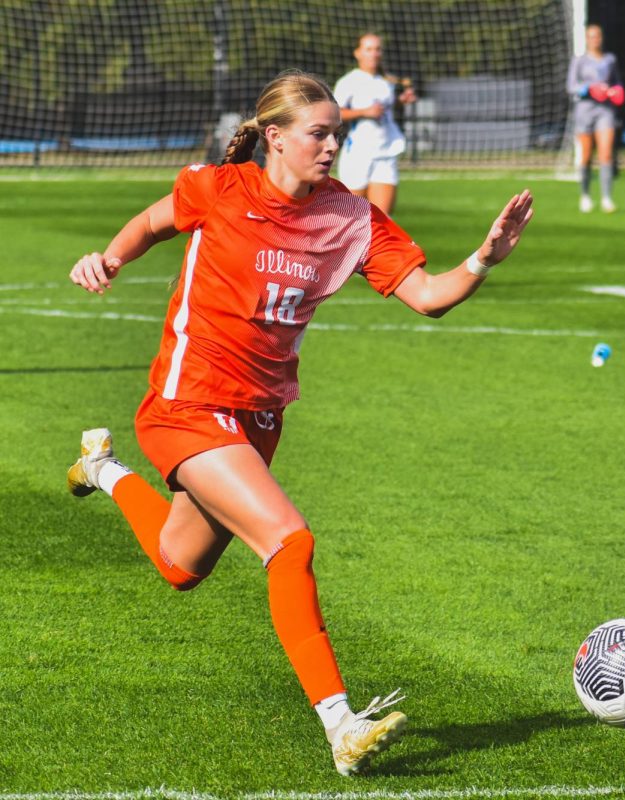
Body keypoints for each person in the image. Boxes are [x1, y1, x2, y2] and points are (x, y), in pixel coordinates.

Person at [66, 70, 534, 776]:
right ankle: (341, 725)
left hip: (256, 420)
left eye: (337, 135)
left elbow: (428, 296)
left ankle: (102, 467)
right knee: (290, 541)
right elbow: (154, 222)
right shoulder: (220, 188)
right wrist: (109, 258)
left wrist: (483, 258)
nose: (331, 147)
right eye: (319, 134)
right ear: (275, 138)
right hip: (186, 403)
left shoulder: (349, 216)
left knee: (179, 567)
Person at [333, 32, 419, 217]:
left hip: (385, 153)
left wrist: (401, 101)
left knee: (382, 220)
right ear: (358, 53)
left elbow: (385, 107)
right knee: (353, 219)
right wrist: (364, 112)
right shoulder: (348, 82)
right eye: (369, 49)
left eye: (377, 49)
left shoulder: (386, 82)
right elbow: (334, 113)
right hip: (358, 154)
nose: (374, 53)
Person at [567, 23, 623, 213]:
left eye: (597, 35)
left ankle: (607, 198)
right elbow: (571, 86)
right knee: (586, 156)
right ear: (587, 39)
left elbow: (617, 83)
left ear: (601, 37)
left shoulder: (610, 59)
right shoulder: (579, 60)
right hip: (584, 111)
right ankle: (585, 195)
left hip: (605, 111)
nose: (595, 39)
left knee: (606, 154)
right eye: (591, 36)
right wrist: (589, 90)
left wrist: (615, 91)